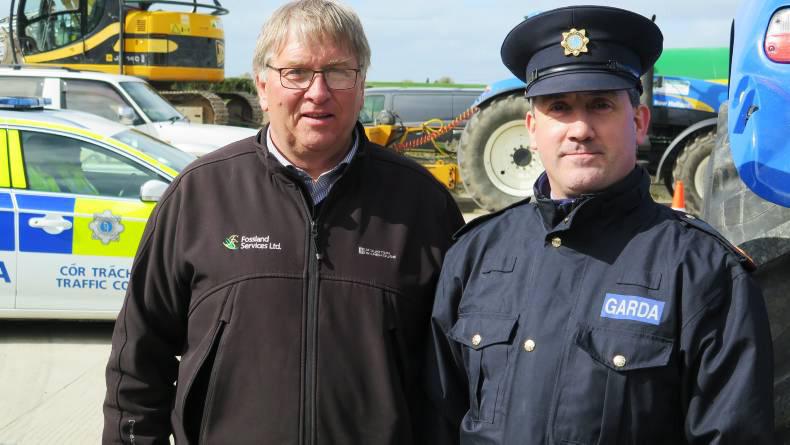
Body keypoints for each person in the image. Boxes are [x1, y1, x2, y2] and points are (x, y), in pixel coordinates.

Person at [102, 1, 464, 443]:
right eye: (296, 72)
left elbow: (454, 375)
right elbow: (138, 363)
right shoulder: (199, 195)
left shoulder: (422, 204)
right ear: (262, 85)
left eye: (338, 71)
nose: (318, 92)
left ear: (361, 84)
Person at [427, 6, 775, 444]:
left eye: (600, 105)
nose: (580, 129)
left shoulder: (703, 272)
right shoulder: (475, 256)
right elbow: (439, 419)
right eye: (559, 107)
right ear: (532, 128)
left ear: (638, 121)